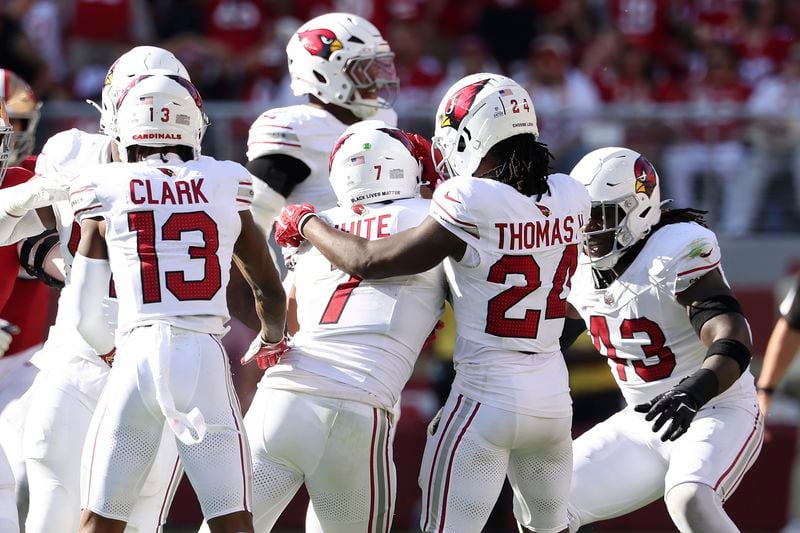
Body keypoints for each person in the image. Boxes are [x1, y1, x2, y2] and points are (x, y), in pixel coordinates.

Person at [275, 72, 591, 533]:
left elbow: (368, 260)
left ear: (470, 136)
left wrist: (307, 223)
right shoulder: (571, 194)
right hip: (552, 400)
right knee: (552, 528)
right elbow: (569, 312)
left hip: (484, 399)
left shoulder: (467, 198)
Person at [69, 73, 286, 533]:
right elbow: (267, 286)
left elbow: (85, 315)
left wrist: (115, 355)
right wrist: (271, 337)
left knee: (100, 521)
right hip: (204, 353)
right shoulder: (226, 180)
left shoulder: (104, 185)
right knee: (233, 519)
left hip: (137, 351)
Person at [0, 46, 192, 533]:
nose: (159, 117)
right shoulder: (73, 154)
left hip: (125, 360)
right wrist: (44, 211)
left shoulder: (75, 153)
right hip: (125, 361)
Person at [243, 121, 445, 531]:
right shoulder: (435, 216)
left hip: (278, 400)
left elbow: (287, 312)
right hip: (357, 407)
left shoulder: (315, 225)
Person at [562, 147, 763, 533]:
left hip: (716, 408)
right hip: (644, 420)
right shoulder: (579, 267)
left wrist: (695, 390)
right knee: (547, 497)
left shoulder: (672, 250)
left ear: (637, 209)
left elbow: (732, 333)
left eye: (600, 215)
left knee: (690, 498)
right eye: (584, 215)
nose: (589, 229)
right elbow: (553, 338)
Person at [245, 11, 400, 236]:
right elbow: (251, 228)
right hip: (322, 267)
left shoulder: (384, 117)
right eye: (364, 69)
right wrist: (268, 273)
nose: (377, 80)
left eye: (378, 67)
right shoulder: (294, 131)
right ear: (325, 73)